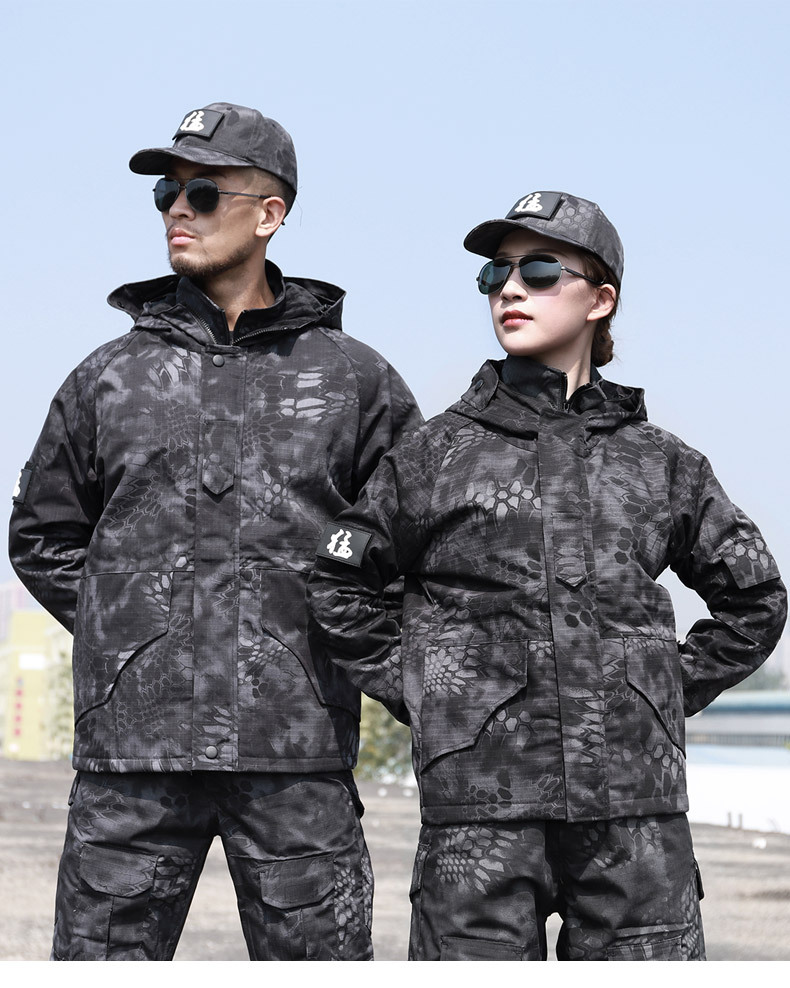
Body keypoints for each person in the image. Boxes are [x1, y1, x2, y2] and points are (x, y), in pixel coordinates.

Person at [306, 190, 787, 960]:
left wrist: (660, 689)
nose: (509, 289)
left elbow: (754, 598)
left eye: (538, 271)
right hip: (478, 822)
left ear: (601, 299)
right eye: (495, 274)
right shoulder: (432, 457)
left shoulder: (661, 463)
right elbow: (337, 583)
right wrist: (430, 690)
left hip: (636, 818)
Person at [9, 101, 422, 961]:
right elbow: (43, 535)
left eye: (203, 193)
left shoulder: (355, 382)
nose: (178, 210)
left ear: (269, 214)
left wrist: (338, 647)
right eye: (166, 192)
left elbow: (405, 547)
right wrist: (135, 635)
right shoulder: (108, 377)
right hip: (132, 762)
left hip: (297, 755)